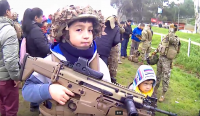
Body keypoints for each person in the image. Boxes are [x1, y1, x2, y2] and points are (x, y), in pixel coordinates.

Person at [22, 5, 111, 115]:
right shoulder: (50, 61)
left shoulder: (99, 65)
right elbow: (27, 91)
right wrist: (49, 90)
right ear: (64, 32)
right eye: (79, 29)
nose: (86, 36)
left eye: (90, 30)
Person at [22, 7, 51, 112]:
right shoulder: (35, 30)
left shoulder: (28, 28)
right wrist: (50, 46)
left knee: (33, 81)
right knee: (39, 83)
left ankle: (33, 105)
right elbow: (44, 49)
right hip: (39, 60)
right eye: (41, 17)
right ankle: (38, 106)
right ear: (36, 17)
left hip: (32, 60)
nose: (42, 19)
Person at [0, 0, 21, 115]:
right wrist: (16, 77)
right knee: (11, 110)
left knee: (3, 107)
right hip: (6, 79)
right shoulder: (8, 30)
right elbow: (10, 60)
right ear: (7, 11)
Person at [152, 24, 181, 102]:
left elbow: (171, 40)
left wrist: (171, 32)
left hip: (167, 61)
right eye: (169, 28)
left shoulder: (175, 38)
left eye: (171, 28)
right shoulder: (166, 36)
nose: (169, 29)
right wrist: (155, 51)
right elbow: (160, 45)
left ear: (174, 30)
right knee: (158, 75)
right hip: (161, 58)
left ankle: (163, 94)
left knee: (165, 78)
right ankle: (155, 89)